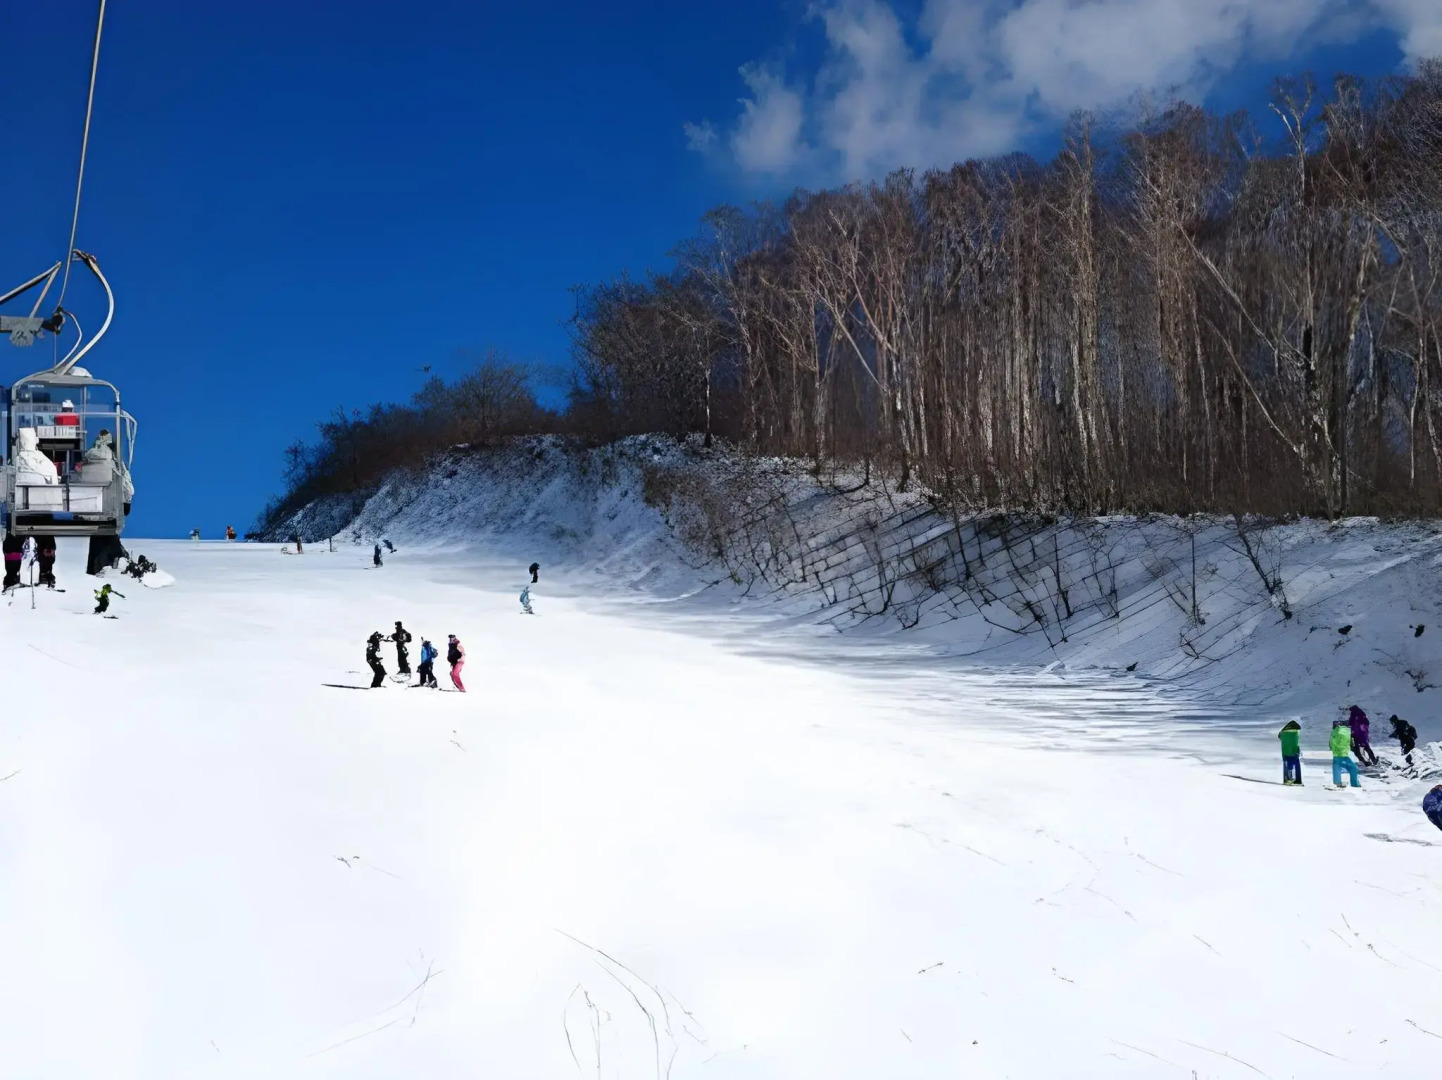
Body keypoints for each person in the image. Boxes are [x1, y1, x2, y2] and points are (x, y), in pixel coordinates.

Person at [1331, 718, 1360, 788]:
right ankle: (1354, 784)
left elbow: (1332, 744)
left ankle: (1338, 783)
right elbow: (1339, 743)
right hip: (1341, 755)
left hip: (1339, 754)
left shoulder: (1337, 732)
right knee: (1353, 769)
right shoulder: (1343, 732)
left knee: (1337, 769)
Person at [1278, 720, 1303, 786]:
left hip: (1285, 751)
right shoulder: (1297, 731)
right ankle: (1298, 780)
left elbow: (1279, 737)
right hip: (1294, 750)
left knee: (1286, 765)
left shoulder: (1283, 732)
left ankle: (1287, 779)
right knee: (1297, 764)